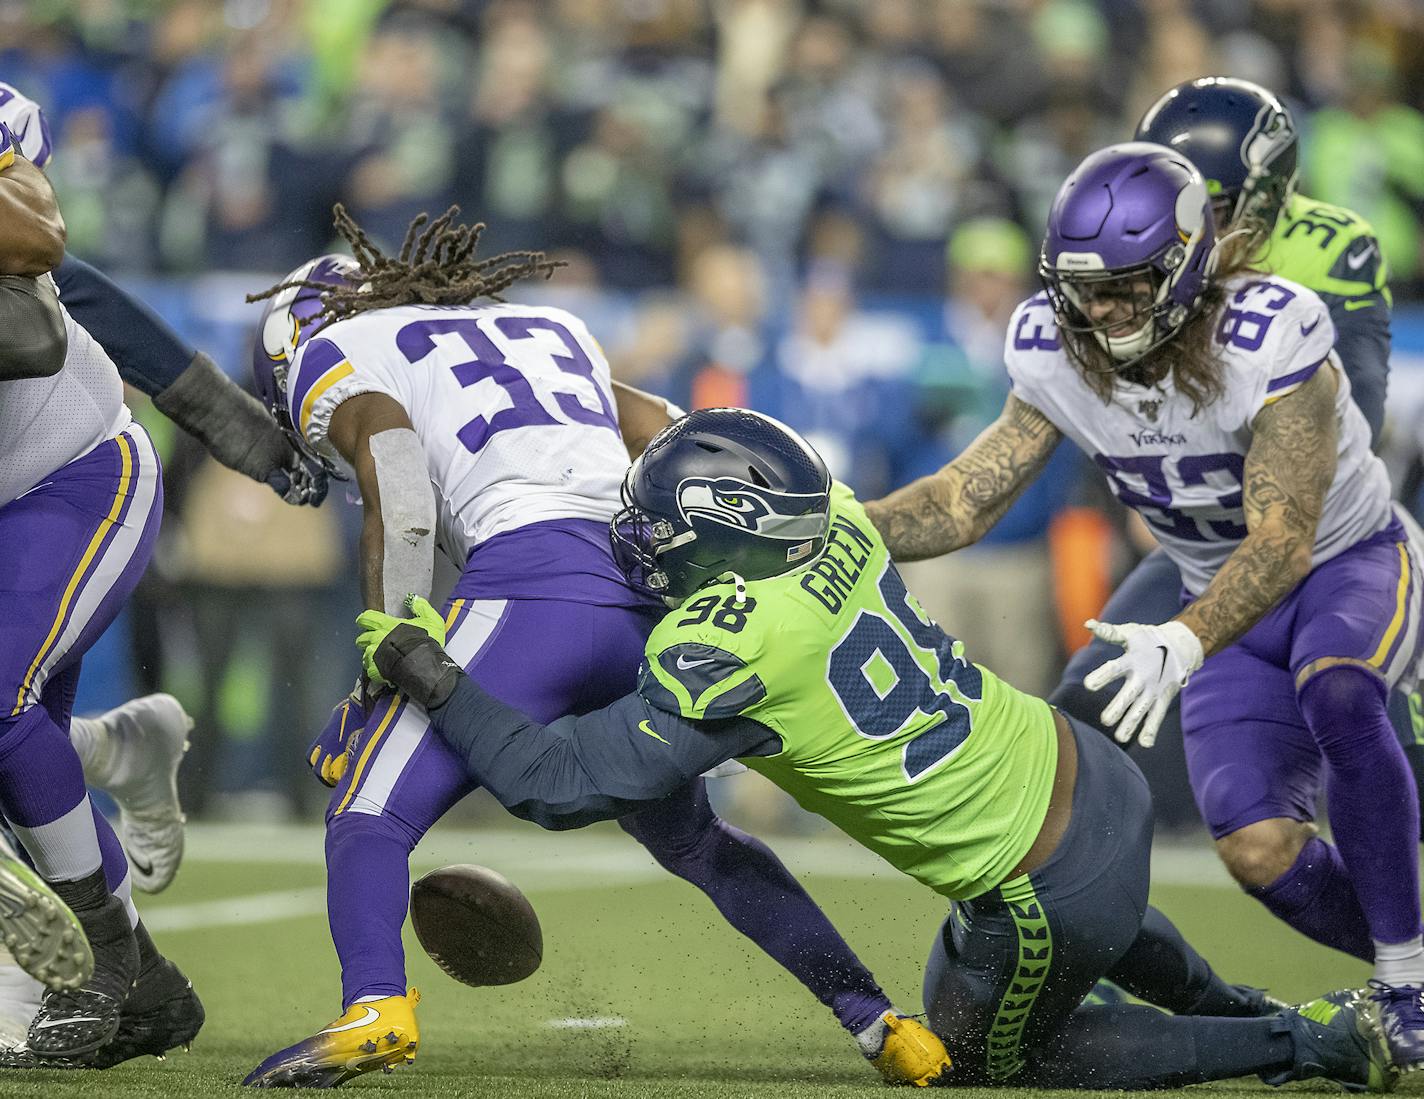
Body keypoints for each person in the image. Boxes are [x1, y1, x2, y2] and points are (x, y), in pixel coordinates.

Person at [354, 407, 1394, 1091]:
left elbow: (555, 784)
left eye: (658, 528)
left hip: (1040, 881)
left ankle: (1309, 1042)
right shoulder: (839, 520)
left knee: (997, 1057)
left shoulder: (726, 642)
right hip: (1081, 766)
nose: (641, 541)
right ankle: (1235, 1006)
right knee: (1040, 948)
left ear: (725, 535)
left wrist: (431, 671)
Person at [240, 205, 949, 1089]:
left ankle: (376, 1004)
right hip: (641, 589)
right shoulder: (547, 325)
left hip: (529, 583)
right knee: (696, 841)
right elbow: (674, 430)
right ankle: (883, 1023)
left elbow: (392, 458)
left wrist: (390, 648)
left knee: (367, 816)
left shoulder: (336, 350)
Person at [864, 141, 1424, 1070]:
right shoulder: (1054, 343)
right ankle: (1413, 968)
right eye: (1085, 286)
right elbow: (965, 498)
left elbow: (1285, 538)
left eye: (1127, 285)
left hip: (1348, 562)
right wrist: (833, 528)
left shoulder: (1269, 333)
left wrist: (1185, 637)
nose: (1103, 309)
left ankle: (1406, 990)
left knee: (1339, 688)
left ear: (1189, 262)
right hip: (1214, 596)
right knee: (1258, 849)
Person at [1049, 76, 1423, 840]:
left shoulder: (1327, 247)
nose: (1179, 224)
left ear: (1262, 196)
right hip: (1208, 527)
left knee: (1396, 746)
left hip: (1326, 532)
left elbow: (1359, 416)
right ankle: (1084, 913)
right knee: (1089, 696)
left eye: (1206, 207)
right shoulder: (1138, 258)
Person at [0, 117, 201, 1064]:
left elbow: (36, 275)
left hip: (74, 474)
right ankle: (150, 990)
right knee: (11, 757)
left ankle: (99, 963)